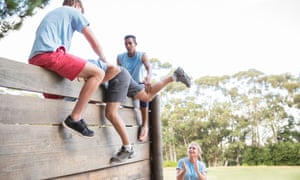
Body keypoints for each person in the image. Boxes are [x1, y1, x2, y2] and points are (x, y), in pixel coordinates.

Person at [28, 0, 120, 138]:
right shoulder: (73, 11)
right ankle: (75, 118)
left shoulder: (54, 15)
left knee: (59, 100)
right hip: (49, 55)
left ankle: (60, 130)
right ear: (77, 5)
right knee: (98, 73)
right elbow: (92, 40)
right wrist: (105, 60)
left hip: (36, 59)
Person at [87, 59, 191, 162]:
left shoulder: (87, 65)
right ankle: (175, 76)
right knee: (147, 96)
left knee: (110, 113)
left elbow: (101, 75)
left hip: (117, 76)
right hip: (122, 74)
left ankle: (128, 148)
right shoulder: (88, 65)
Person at [117, 34, 151, 142]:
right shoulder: (120, 57)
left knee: (144, 92)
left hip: (137, 85)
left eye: (130, 43)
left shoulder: (142, 55)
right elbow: (117, 72)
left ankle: (144, 125)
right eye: (126, 44)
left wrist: (148, 78)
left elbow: (148, 67)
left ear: (135, 44)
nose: (128, 45)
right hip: (125, 86)